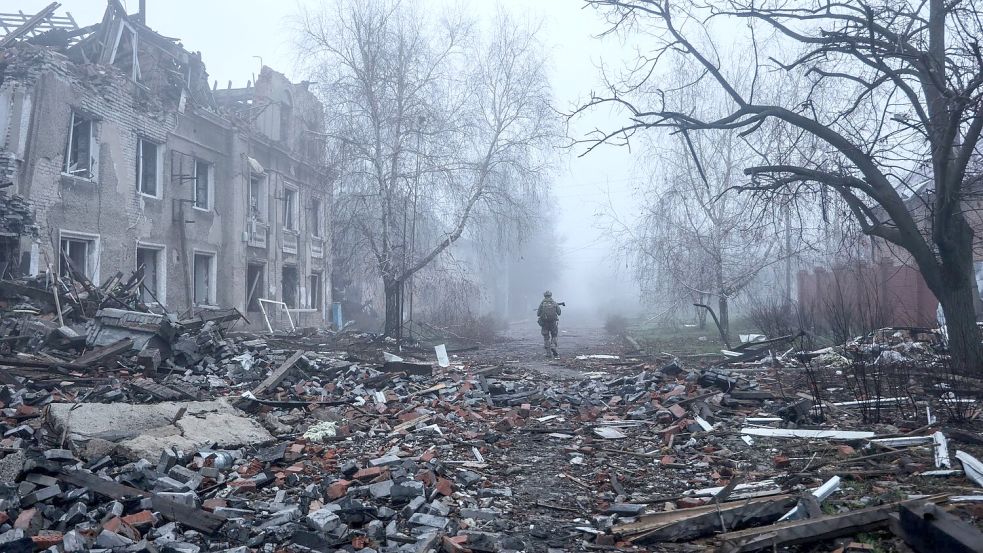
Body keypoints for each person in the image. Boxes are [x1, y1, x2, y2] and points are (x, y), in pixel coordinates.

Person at [537, 290, 561, 358]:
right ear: (551, 295)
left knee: (546, 337)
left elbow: (538, 314)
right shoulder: (554, 303)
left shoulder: (542, 303)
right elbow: (559, 313)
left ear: (544, 296)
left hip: (544, 323)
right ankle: (553, 346)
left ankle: (548, 353)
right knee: (554, 335)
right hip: (553, 323)